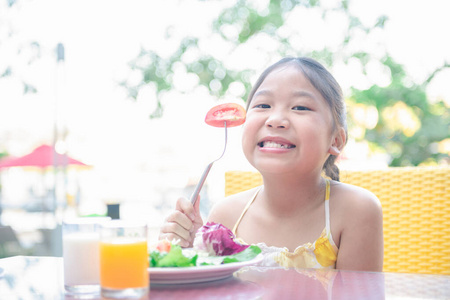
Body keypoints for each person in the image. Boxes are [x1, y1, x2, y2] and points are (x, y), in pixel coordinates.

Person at [159, 57, 384, 271]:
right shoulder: (225, 216)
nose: (275, 119)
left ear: (335, 140)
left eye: (300, 108)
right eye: (263, 105)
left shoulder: (355, 210)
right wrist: (190, 255)